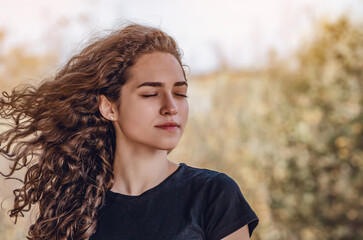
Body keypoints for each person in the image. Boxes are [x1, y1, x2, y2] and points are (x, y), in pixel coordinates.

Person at [0, 23, 259, 240]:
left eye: (180, 94)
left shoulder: (214, 194)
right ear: (109, 107)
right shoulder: (73, 210)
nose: (171, 107)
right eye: (150, 94)